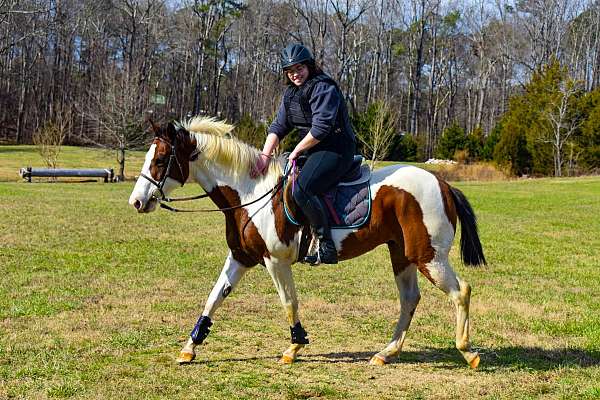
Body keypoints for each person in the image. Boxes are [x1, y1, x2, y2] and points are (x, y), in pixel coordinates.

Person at [251, 43, 356, 265]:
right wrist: (264, 157)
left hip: (336, 148)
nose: (295, 74)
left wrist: (296, 150)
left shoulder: (323, 87)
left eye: (299, 69)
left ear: (308, 66)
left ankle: (327, 246)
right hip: (315, 149)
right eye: (290, 71)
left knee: (302, 189)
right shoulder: (290, 95)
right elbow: (278, 127)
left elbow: (321, 128)